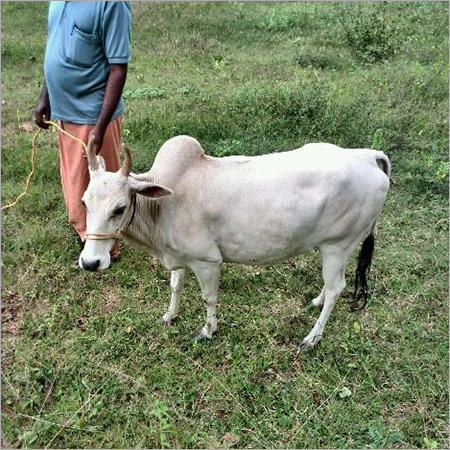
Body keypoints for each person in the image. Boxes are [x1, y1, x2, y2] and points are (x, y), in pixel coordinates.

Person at [34, 1, 131, 260]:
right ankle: (85, 234)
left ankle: (108, 248)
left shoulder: (112, 5)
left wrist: (99, 128)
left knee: (103, 187)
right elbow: (55, 45)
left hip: (94, 115)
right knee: (76, 181)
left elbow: (118, 68)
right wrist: (46, 96)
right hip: (65, 112)